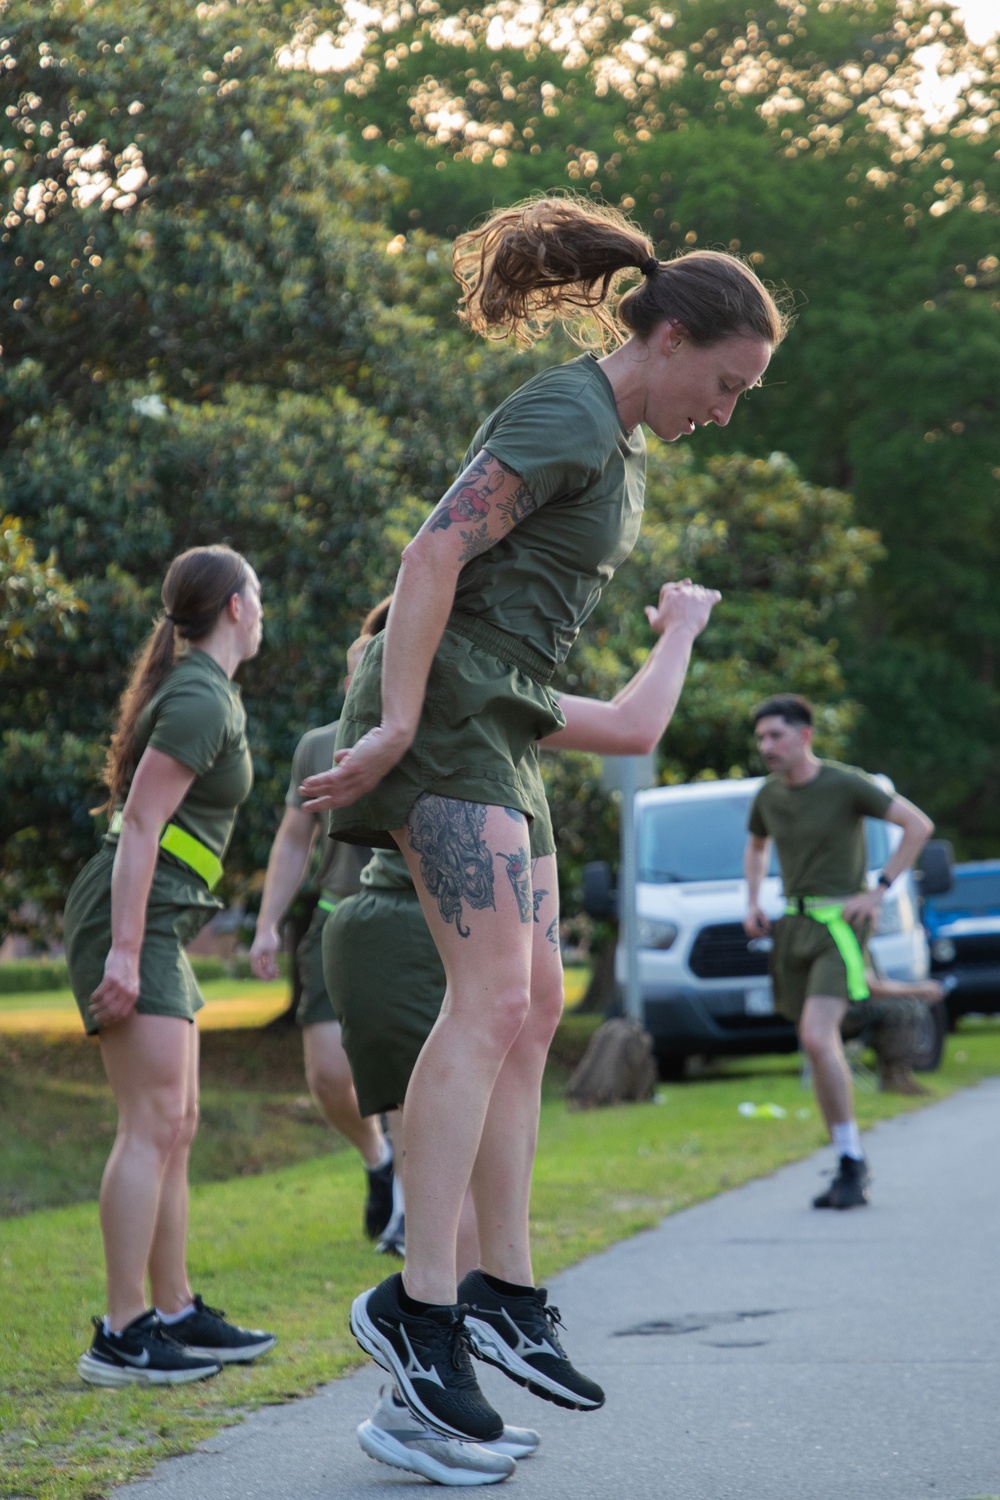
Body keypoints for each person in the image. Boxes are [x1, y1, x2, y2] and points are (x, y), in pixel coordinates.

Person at [300, 192, 787, 1443]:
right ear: (668, 339)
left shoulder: (618, 442)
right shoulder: (564, 412)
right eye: (726, 385)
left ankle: (503, 1291)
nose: (726, 412)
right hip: (448, 715)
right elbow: (430, 556)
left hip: (501, 716)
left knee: (533, 1005)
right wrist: (394, 723)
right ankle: (421, 1305)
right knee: (487, 1005)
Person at [330, 580, 719, 1484]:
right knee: (450, 1182)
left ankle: (436, 1385)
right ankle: (417, 1401)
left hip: (451, 945)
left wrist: (680, 631)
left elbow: (633, 724)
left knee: (482, 1156)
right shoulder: (427, 691)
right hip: (404, 943)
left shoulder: (496, 700)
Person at [65, 545, 276, 1386]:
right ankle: (122, 1334)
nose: (262, 608)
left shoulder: (208, 691)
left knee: (177, 1122)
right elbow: (143, 826)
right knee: (150, 1122)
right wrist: (122, 950)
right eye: (257, 594)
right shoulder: (198, 697)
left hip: (158, 919)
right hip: (135, 919)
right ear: (234, 607)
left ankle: (176, 1309)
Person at [743, 693, 934, 1210]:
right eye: (761, 738)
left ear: (805, 735)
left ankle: (851, 1162)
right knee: (813, 1041)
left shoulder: (846, 784)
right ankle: (848, 1157)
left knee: (815, 1034)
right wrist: (753, 900)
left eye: (776, 735)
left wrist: (879, 889)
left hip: (840, 927)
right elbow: (756, 846)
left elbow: (918, 826)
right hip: (793, 925)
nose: (766, 746)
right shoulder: (767, 795)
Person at [249, 603, 398, 1246]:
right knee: (329, 1077)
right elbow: (292, 841)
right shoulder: (317, 744)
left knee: (407, 1072)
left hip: (410, 920)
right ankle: (379, 1159)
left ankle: (412, 1213)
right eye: (359, 671)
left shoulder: (422, 736)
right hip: (336, 919)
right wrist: (266, 925)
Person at [841, 971, 946, 1096]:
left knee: (905, 1006)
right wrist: (919, 989)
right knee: (902, 1011)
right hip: (843, 1010)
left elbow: (881, 982)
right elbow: (873, 987)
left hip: (856, 1005)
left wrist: (917, 990)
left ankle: (899, 1075)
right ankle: (893, 1078)